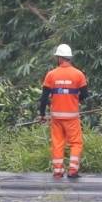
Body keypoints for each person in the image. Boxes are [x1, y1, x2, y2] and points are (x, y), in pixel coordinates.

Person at [38, 43, 88, 179]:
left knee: (57, 143)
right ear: (69, 58)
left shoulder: (51, 75)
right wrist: (74, 99)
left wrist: (42, 114)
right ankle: (73, 171)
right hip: (72, 117)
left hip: (56, 118)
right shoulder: (79, 74)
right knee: (76, 143)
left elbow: (43, 98)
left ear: (60, 58)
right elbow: (84, 95)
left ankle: (58, 171)